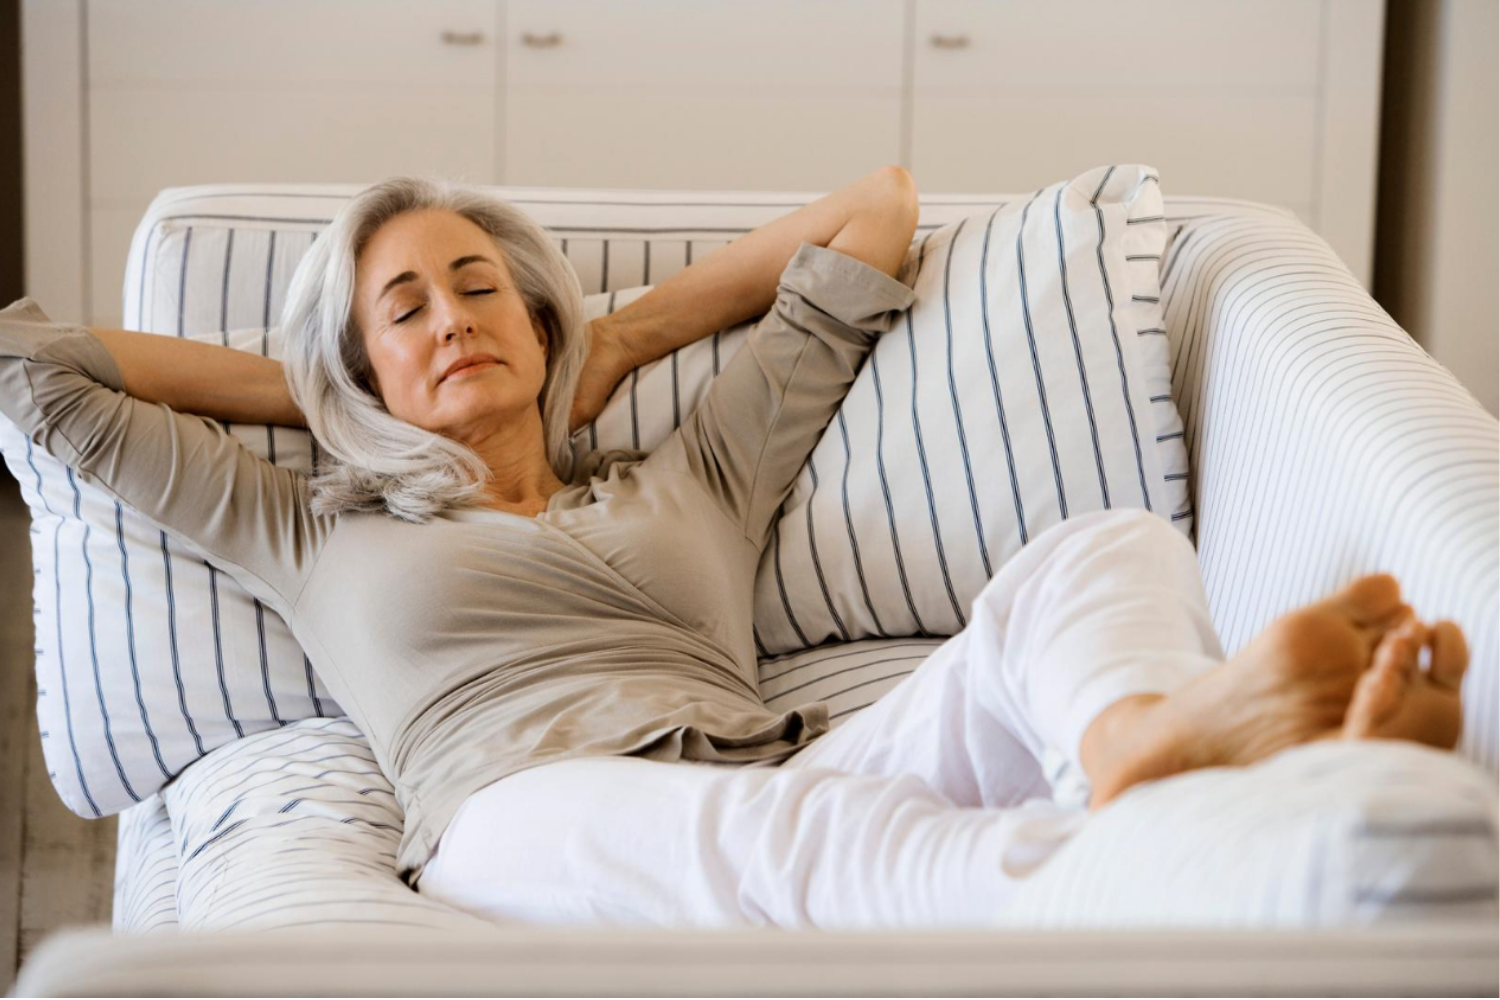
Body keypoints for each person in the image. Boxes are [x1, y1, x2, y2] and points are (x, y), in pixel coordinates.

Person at [0, 167, 1467, 929]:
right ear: (358, 361)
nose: (453, 318)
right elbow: (37, 372)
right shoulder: (315, 528)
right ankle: (1185, 855)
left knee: (1106, 545)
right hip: (530, 814)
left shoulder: (688, 473)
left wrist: (626, 337)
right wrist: (325, 394)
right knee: (822, 848)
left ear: (538, 316)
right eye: (407, 308)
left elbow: (875, 216)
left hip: (779, 758)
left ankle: (1139, 737)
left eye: (479, 288)